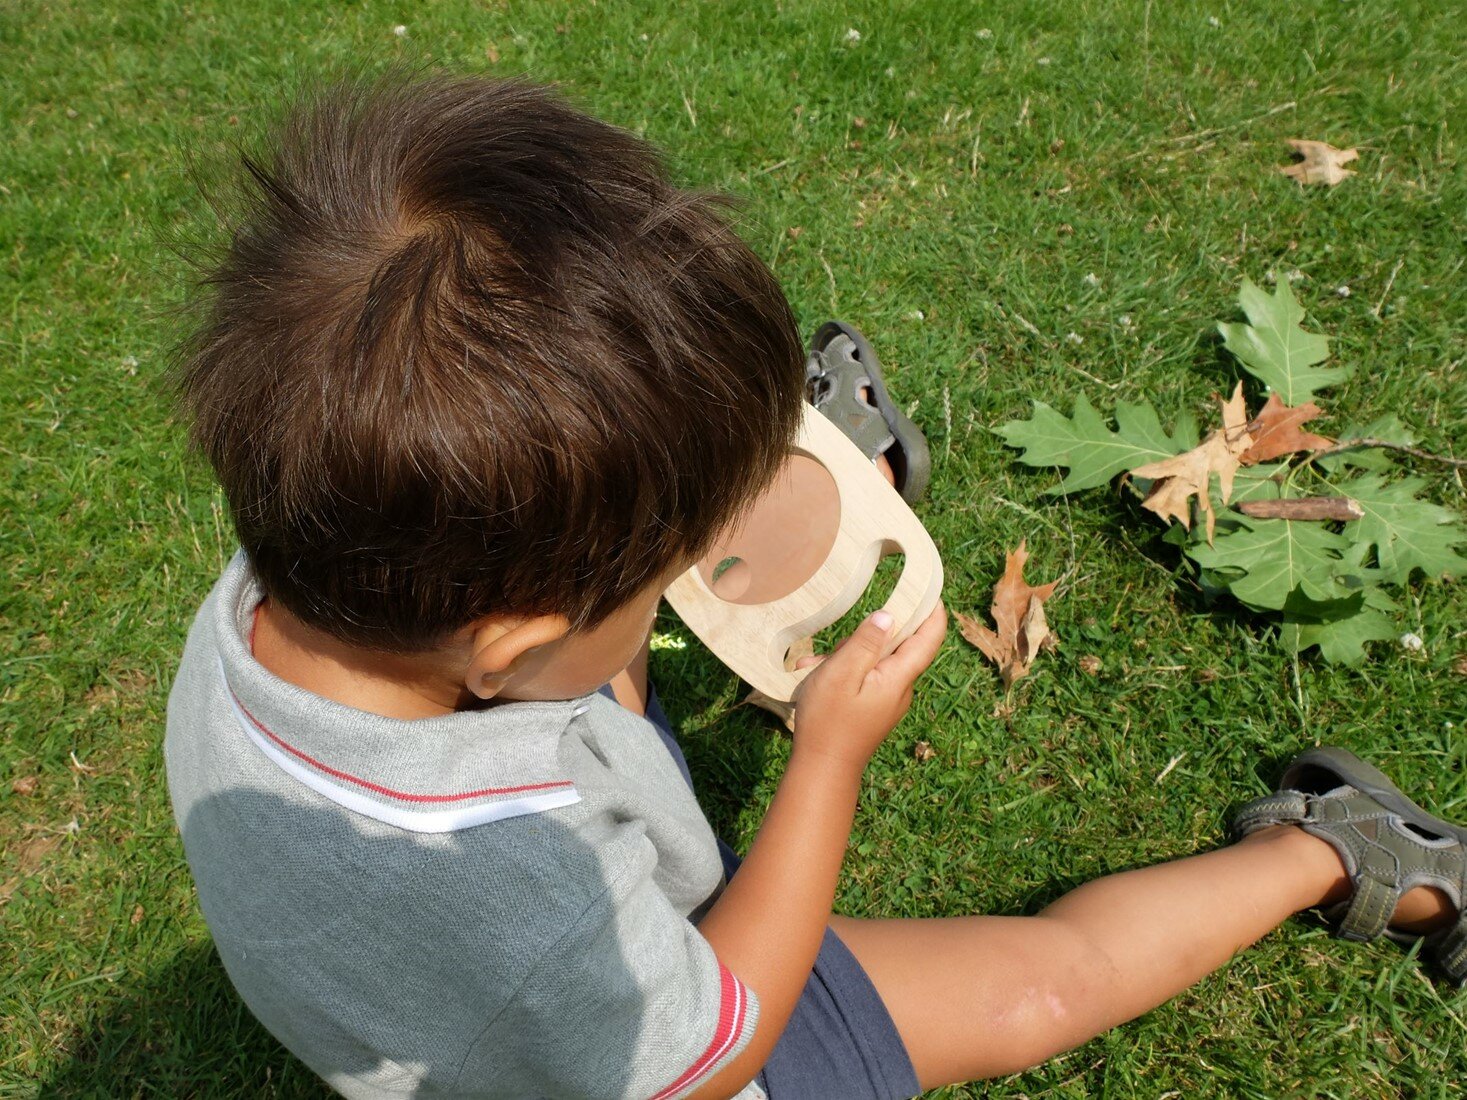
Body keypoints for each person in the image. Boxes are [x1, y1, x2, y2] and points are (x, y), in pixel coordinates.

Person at [164, 72, 1465, 1100]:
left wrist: (635, 547)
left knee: (599, 589)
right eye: (669, 564)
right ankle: (1337, 847)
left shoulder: (304, 581)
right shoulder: (533, 899)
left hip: (495, 869)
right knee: (1046, 986)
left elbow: (563, 650)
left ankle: (785, 474)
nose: (676, 584)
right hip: (668, 1024)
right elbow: (715, 1043)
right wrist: (829, 759)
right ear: (507, 645)